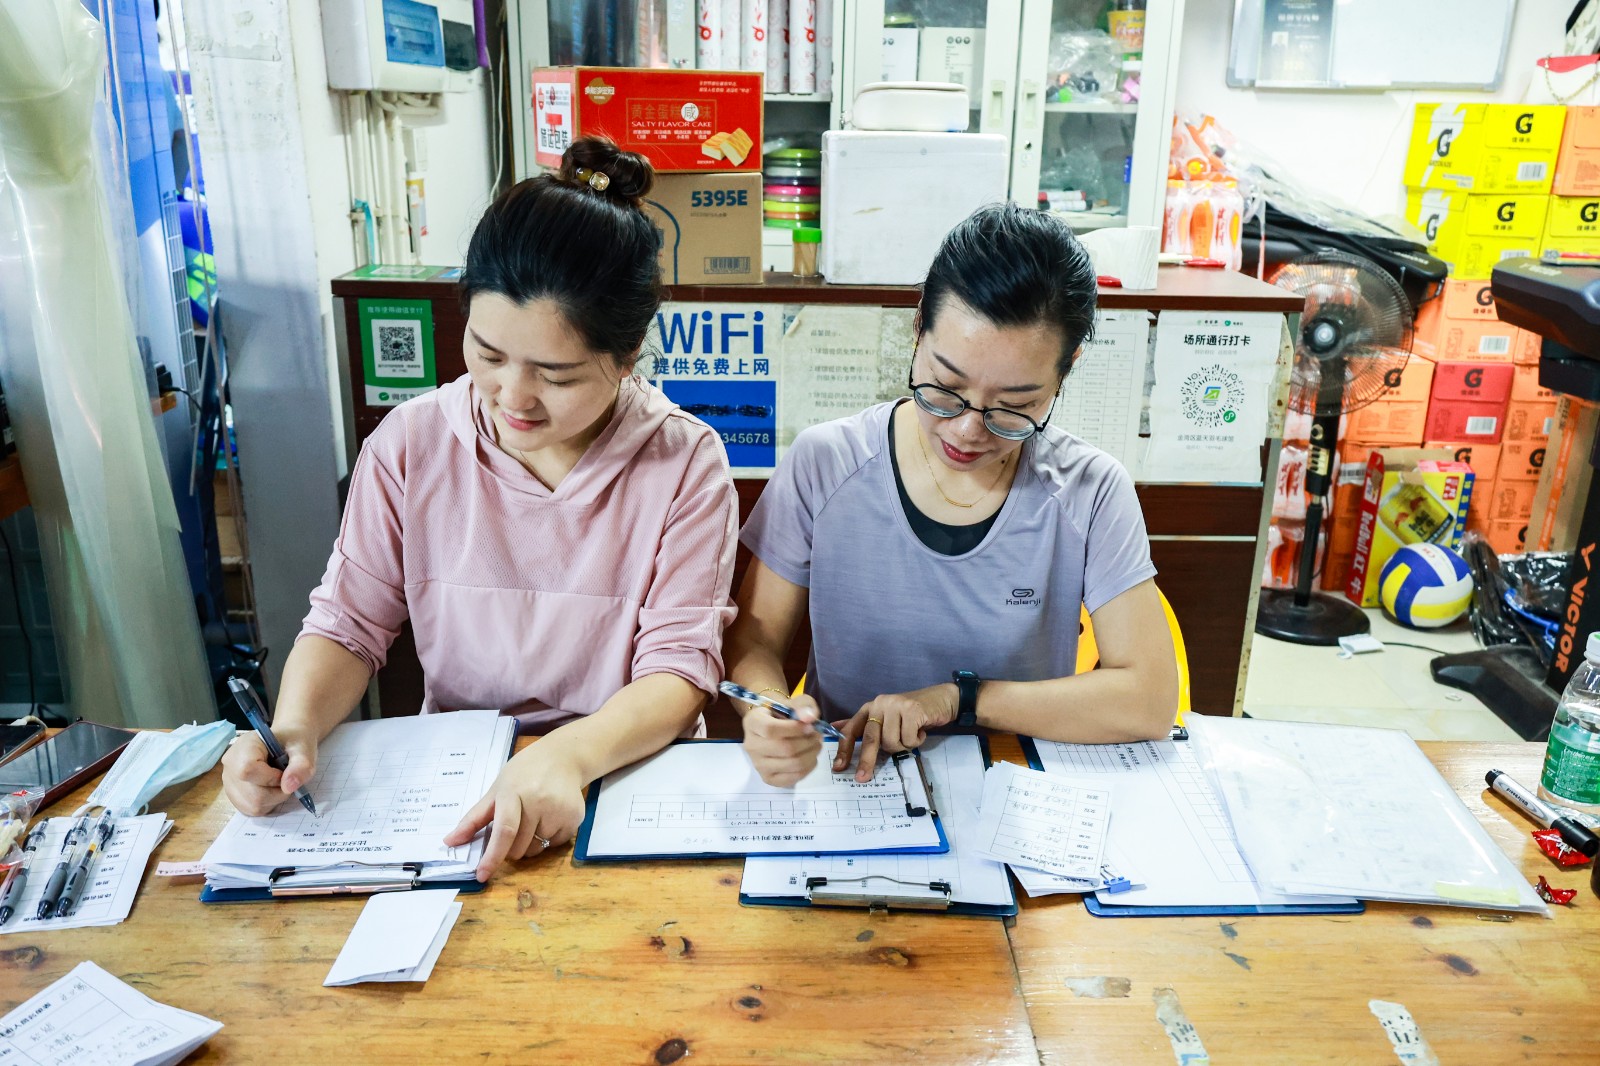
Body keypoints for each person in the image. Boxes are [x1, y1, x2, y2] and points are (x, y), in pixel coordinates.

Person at [221, 137, 739, 878]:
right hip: (450, 785)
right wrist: (293, 731)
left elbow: (679, 668)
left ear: (627, 358)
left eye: (556, 376)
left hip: (623, 777)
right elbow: (348, 622)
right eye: (488, 354)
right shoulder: (412, 443)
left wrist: (567, 758)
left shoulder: (683, 463)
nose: (512, 397)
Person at [727, 202, 1177, 787]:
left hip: (1015, 791)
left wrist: (959, 700)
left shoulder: (1089, 491)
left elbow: (1148, 699)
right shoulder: (826, 462)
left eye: (1015, 407)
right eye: (945, 388)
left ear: (1065, 373)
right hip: (848, 785)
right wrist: (767, 711)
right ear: (918, 330)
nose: (968, 429)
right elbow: (755, 638)